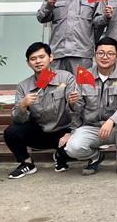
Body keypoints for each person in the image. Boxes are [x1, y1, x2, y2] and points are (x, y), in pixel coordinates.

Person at [64, 37, 117, 177]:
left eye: (110, 53)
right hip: (91, 127)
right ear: (94, 54)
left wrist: (111, 121)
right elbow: (77, 110)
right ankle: (95, 157)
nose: (105, 57)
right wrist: (72, 104)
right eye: (101, 53)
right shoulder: (84, 76)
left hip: (115, 128)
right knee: (72, 148)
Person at [5, 42, 78, 179]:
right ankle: (27, 163)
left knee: (77, 147)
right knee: (11, 132)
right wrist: (22, 105)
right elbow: (17, 119)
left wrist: (72, 132)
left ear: (51, 57)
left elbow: (78, 111)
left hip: (64, 130)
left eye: (41, 57)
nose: (38, 61)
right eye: (33, 59)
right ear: (28, 63)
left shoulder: (66, 78)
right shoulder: (23, 86)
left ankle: (60, 155)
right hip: (40, 130)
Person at [36, 0, 106, 73]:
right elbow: (41, 18)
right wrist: (49, 5)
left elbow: (99, 24)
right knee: (56, 83)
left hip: (82, 53)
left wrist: (107, 16)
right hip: (57, 52)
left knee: (80, 84)